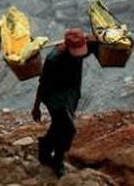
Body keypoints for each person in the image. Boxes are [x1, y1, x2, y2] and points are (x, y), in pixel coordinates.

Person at [32, 28, 96, 177]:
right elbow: (43, 84)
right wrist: (36, 107)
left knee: (58, 125)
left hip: (71, 93)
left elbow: (98, 44)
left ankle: (44, 147)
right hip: (54, 96)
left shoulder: (84, 46)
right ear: (67, 47)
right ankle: (58, 160)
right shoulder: (53, 59)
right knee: (69, 129)